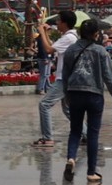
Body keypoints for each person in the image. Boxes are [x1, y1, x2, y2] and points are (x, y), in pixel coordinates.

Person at [60, 19, 112, 185]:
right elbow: (109, 75)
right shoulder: (100, 51)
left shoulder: (71, 50)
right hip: (94, 94)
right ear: (96, 34)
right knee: (93, 134)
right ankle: (91, 172)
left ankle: (71, 158)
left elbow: (65, 74)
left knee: (75, 131)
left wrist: (66, 93)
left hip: (75, 93)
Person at [32, 9, 78, 148]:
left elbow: (48, 50)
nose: (56, 23)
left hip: (63, 78)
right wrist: (45, 33)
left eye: (58, 20)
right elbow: (53, 46)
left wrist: (41, 32)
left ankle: (48, 138)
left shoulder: (69, 38)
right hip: (66, 76)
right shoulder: (68, 36)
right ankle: (86, 134)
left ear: (65, 23)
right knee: (68, 110)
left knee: (44, 104)